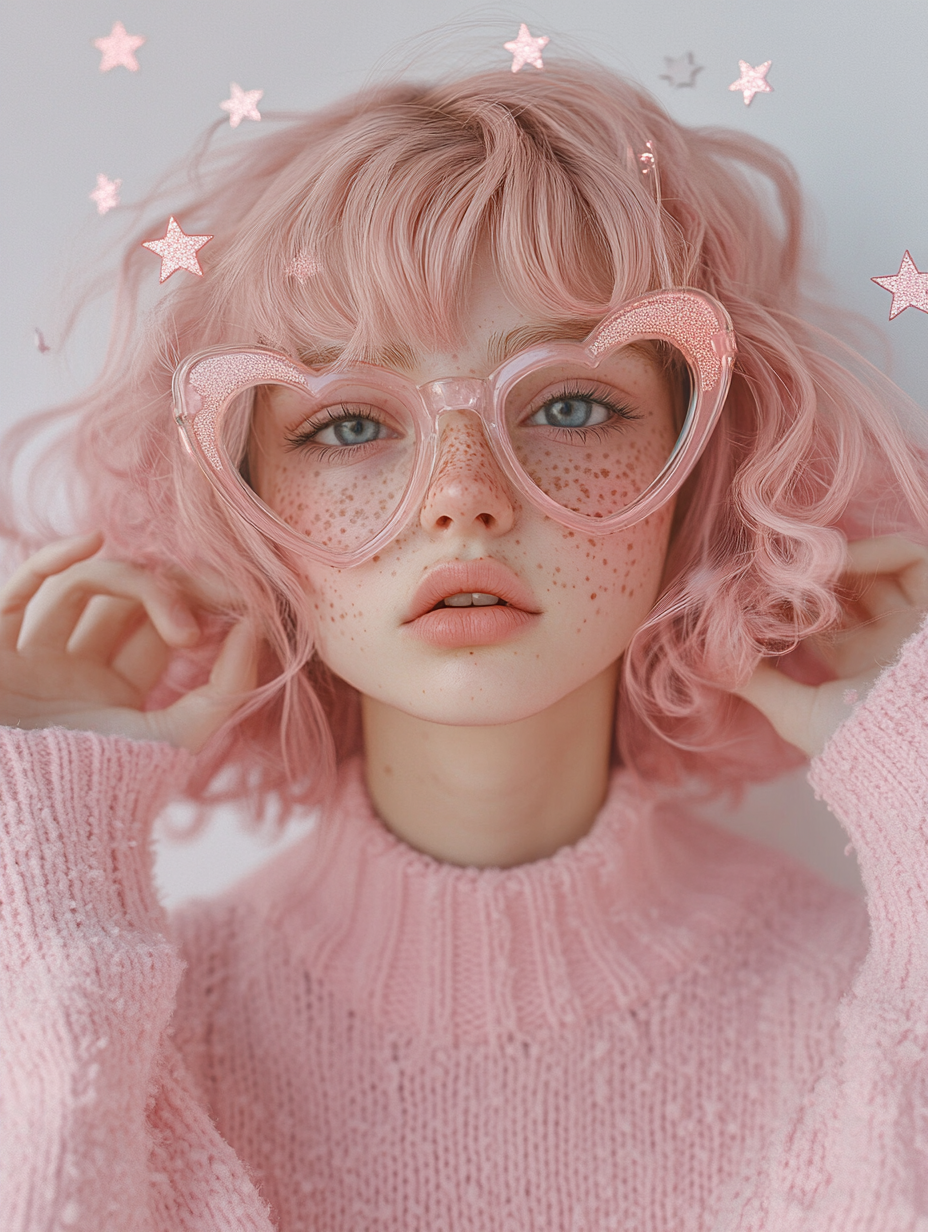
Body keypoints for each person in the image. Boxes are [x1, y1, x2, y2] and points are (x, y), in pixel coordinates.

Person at [1, 58, 927, 1232]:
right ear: (246, 505)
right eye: (346, 423)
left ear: (700, 472)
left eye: (570, 404)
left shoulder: (869, 989)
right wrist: (43, 885)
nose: (463, 498)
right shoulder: (121, 1011)